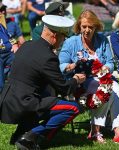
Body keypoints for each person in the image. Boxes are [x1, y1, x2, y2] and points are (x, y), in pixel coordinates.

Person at [0, 15, 86, 149]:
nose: (63, 40)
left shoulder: (27, 45)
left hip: (8, 100)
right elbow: (64, 88)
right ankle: (30, 137)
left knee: (45, 96)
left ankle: (20, 132)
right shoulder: (48, 56)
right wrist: (76, 79)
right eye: (64, 36)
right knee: (73, 108)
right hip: (24, 103)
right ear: (54, 36)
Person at [59, 10, 119, 145]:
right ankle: (96, 130)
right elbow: (61, 65)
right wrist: (72, 66)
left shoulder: (102, 40)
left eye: (90, 27)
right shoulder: (71, 42)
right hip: (81, 81)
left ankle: (118, 132)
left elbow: (111, 62)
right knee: (107, 89)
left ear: (96, 27)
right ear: (79, 27)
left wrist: (106, 68)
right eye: (84, 27)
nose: (87, 30)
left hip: (103, 79)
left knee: (116, 88)